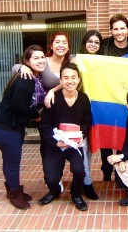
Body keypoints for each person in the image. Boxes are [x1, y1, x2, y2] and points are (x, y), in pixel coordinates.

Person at [12, 31, 72, 194]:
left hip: (65, 110)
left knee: (65, 143)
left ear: (68, 46)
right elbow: (15, 67)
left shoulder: (71, 60)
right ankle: (51, 178)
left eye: (64, 42)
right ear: (51, 45)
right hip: (45, 113)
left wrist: (53, 90)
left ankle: (60, 174)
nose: (61, 45)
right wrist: (23, 66)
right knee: (48, 145)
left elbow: (76, 76)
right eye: (57, 42)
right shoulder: (42, 60)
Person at [0, 45, 46, 210]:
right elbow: (17, 105)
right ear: (27, 61)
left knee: (9, 160)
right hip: (6, 127)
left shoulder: (34, 77)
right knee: (13, 161)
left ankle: (13, 189)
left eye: (42, 57)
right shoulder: (26, 78)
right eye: (35, 58)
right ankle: (15, 194)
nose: (41, 60)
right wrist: (37, 115)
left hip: (11, 125)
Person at [38, 63, 91, 211]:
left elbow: (86, 122)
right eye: (66, 78)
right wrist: (56, 142)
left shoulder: (83, 99)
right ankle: (54, 191)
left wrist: (82, 136)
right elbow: (44, 126)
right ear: (60, 81)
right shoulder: (53, 99)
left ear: (79, 79)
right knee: (51, 178)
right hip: (56, 144)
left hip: (74, 145)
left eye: (73, 77)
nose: (70, 81)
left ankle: (76, 195)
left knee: (80, 170)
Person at [101, 14, 128, 183]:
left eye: (122, 28)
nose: (119, 32)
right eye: (115, 29)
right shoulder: (103, 46)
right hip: (107, 95)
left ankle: (122, 173)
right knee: (107, 132)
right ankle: (106, 170)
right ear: (111, 31)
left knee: (126, 134)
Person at [76, 30, 104, 200]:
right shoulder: (77, 60)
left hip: (97, 109)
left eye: (97, 42)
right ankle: (86, 182)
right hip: (79, 109)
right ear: (84, 43)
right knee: (83, 146)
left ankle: (84, 178)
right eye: (90, 41)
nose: (93, 44)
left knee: (90, 148)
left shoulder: (103, 62)